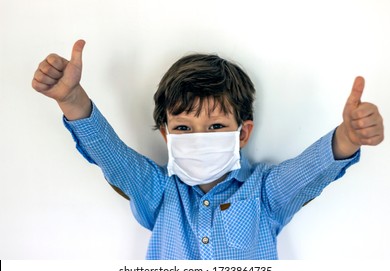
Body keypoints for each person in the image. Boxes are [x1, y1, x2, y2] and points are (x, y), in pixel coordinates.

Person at [32, 40, 384, 259]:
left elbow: (310, 171)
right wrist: (72, 99)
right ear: (167, 135)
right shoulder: (158, 192)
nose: (199, 138)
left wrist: (348, 136)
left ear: (242, 133)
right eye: (184, 128)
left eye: (215, 127)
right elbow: (113, 157)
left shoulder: (264, 192)